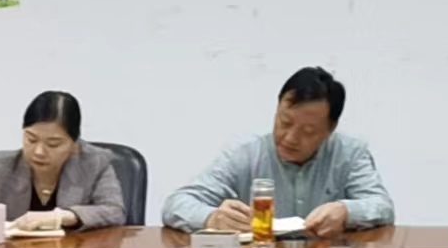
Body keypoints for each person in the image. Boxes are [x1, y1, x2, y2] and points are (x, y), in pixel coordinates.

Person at [164, 67, 395, 237]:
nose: (290, 138)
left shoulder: (350, 154)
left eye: (308, 131)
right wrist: (211, 218)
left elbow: (382, 206)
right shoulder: (245, 154)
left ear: (330, 129)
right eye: (285, 122)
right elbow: (177, 204)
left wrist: (347, 211)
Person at [0, 90, 128, 234]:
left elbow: (115, 212)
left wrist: (61, 217)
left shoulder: (95, 163)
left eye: (53, 144)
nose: (38, 151)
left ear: (74, 144)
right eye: (31, 139)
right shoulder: (0, 166)